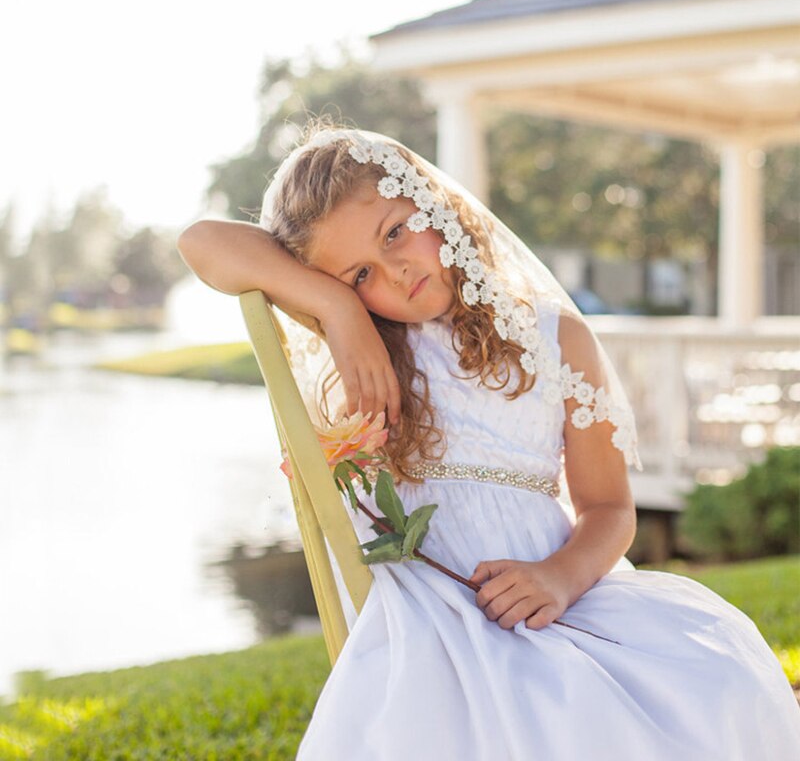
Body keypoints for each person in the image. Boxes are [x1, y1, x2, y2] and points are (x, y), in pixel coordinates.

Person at [177, 122, 800, 760]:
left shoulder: (557, 341)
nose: (393, 271)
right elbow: (201, 241)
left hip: (559, 590)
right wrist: (336, 309)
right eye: (359, 273)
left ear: (432, 202)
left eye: (395, 232)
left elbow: (610, 510)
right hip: (430, 599)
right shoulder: (367, 354)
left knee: (715, 683)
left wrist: (559, 577)